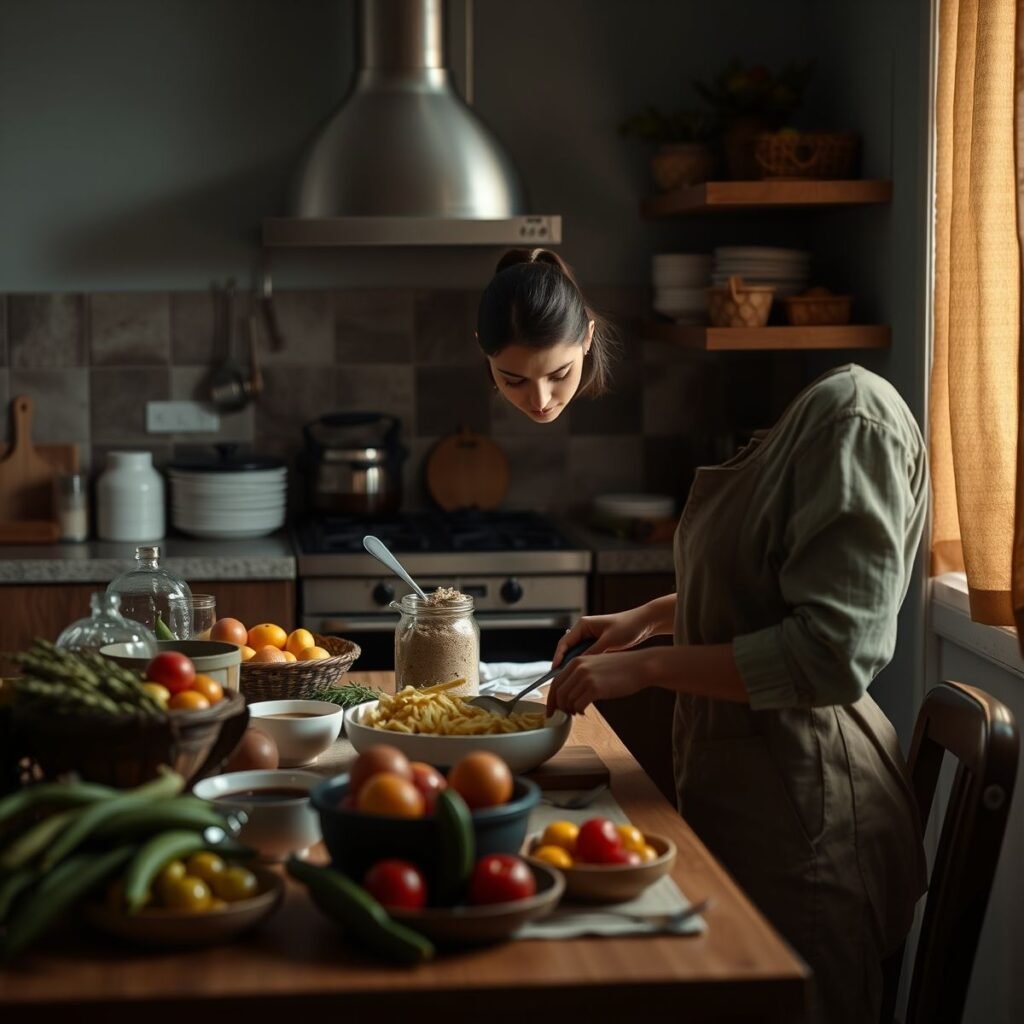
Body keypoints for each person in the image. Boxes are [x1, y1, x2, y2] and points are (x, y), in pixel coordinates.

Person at [476, 247, 929, 1024]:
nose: (542, 399)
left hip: (810, 815)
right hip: (750, 801)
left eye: (555, 375)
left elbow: (832, 655)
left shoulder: (852, 422)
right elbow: (768, 592)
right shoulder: (808, 433)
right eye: (514, 379)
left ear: (587, 337)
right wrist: (651, 617)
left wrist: (646, 670)